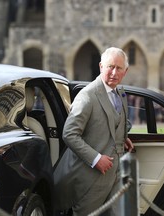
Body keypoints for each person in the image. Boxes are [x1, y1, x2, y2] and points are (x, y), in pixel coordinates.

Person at [54, 47, 134, 216]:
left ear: (125, 71)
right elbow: (70, 134)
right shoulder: (87, 96)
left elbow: (115, 123)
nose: (114, 72)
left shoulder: (120, 92)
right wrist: (96, 159)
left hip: (116, 175)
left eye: (118, 68)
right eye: (110, 67)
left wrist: (122, 137)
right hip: (90, 178)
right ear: (100, 67)